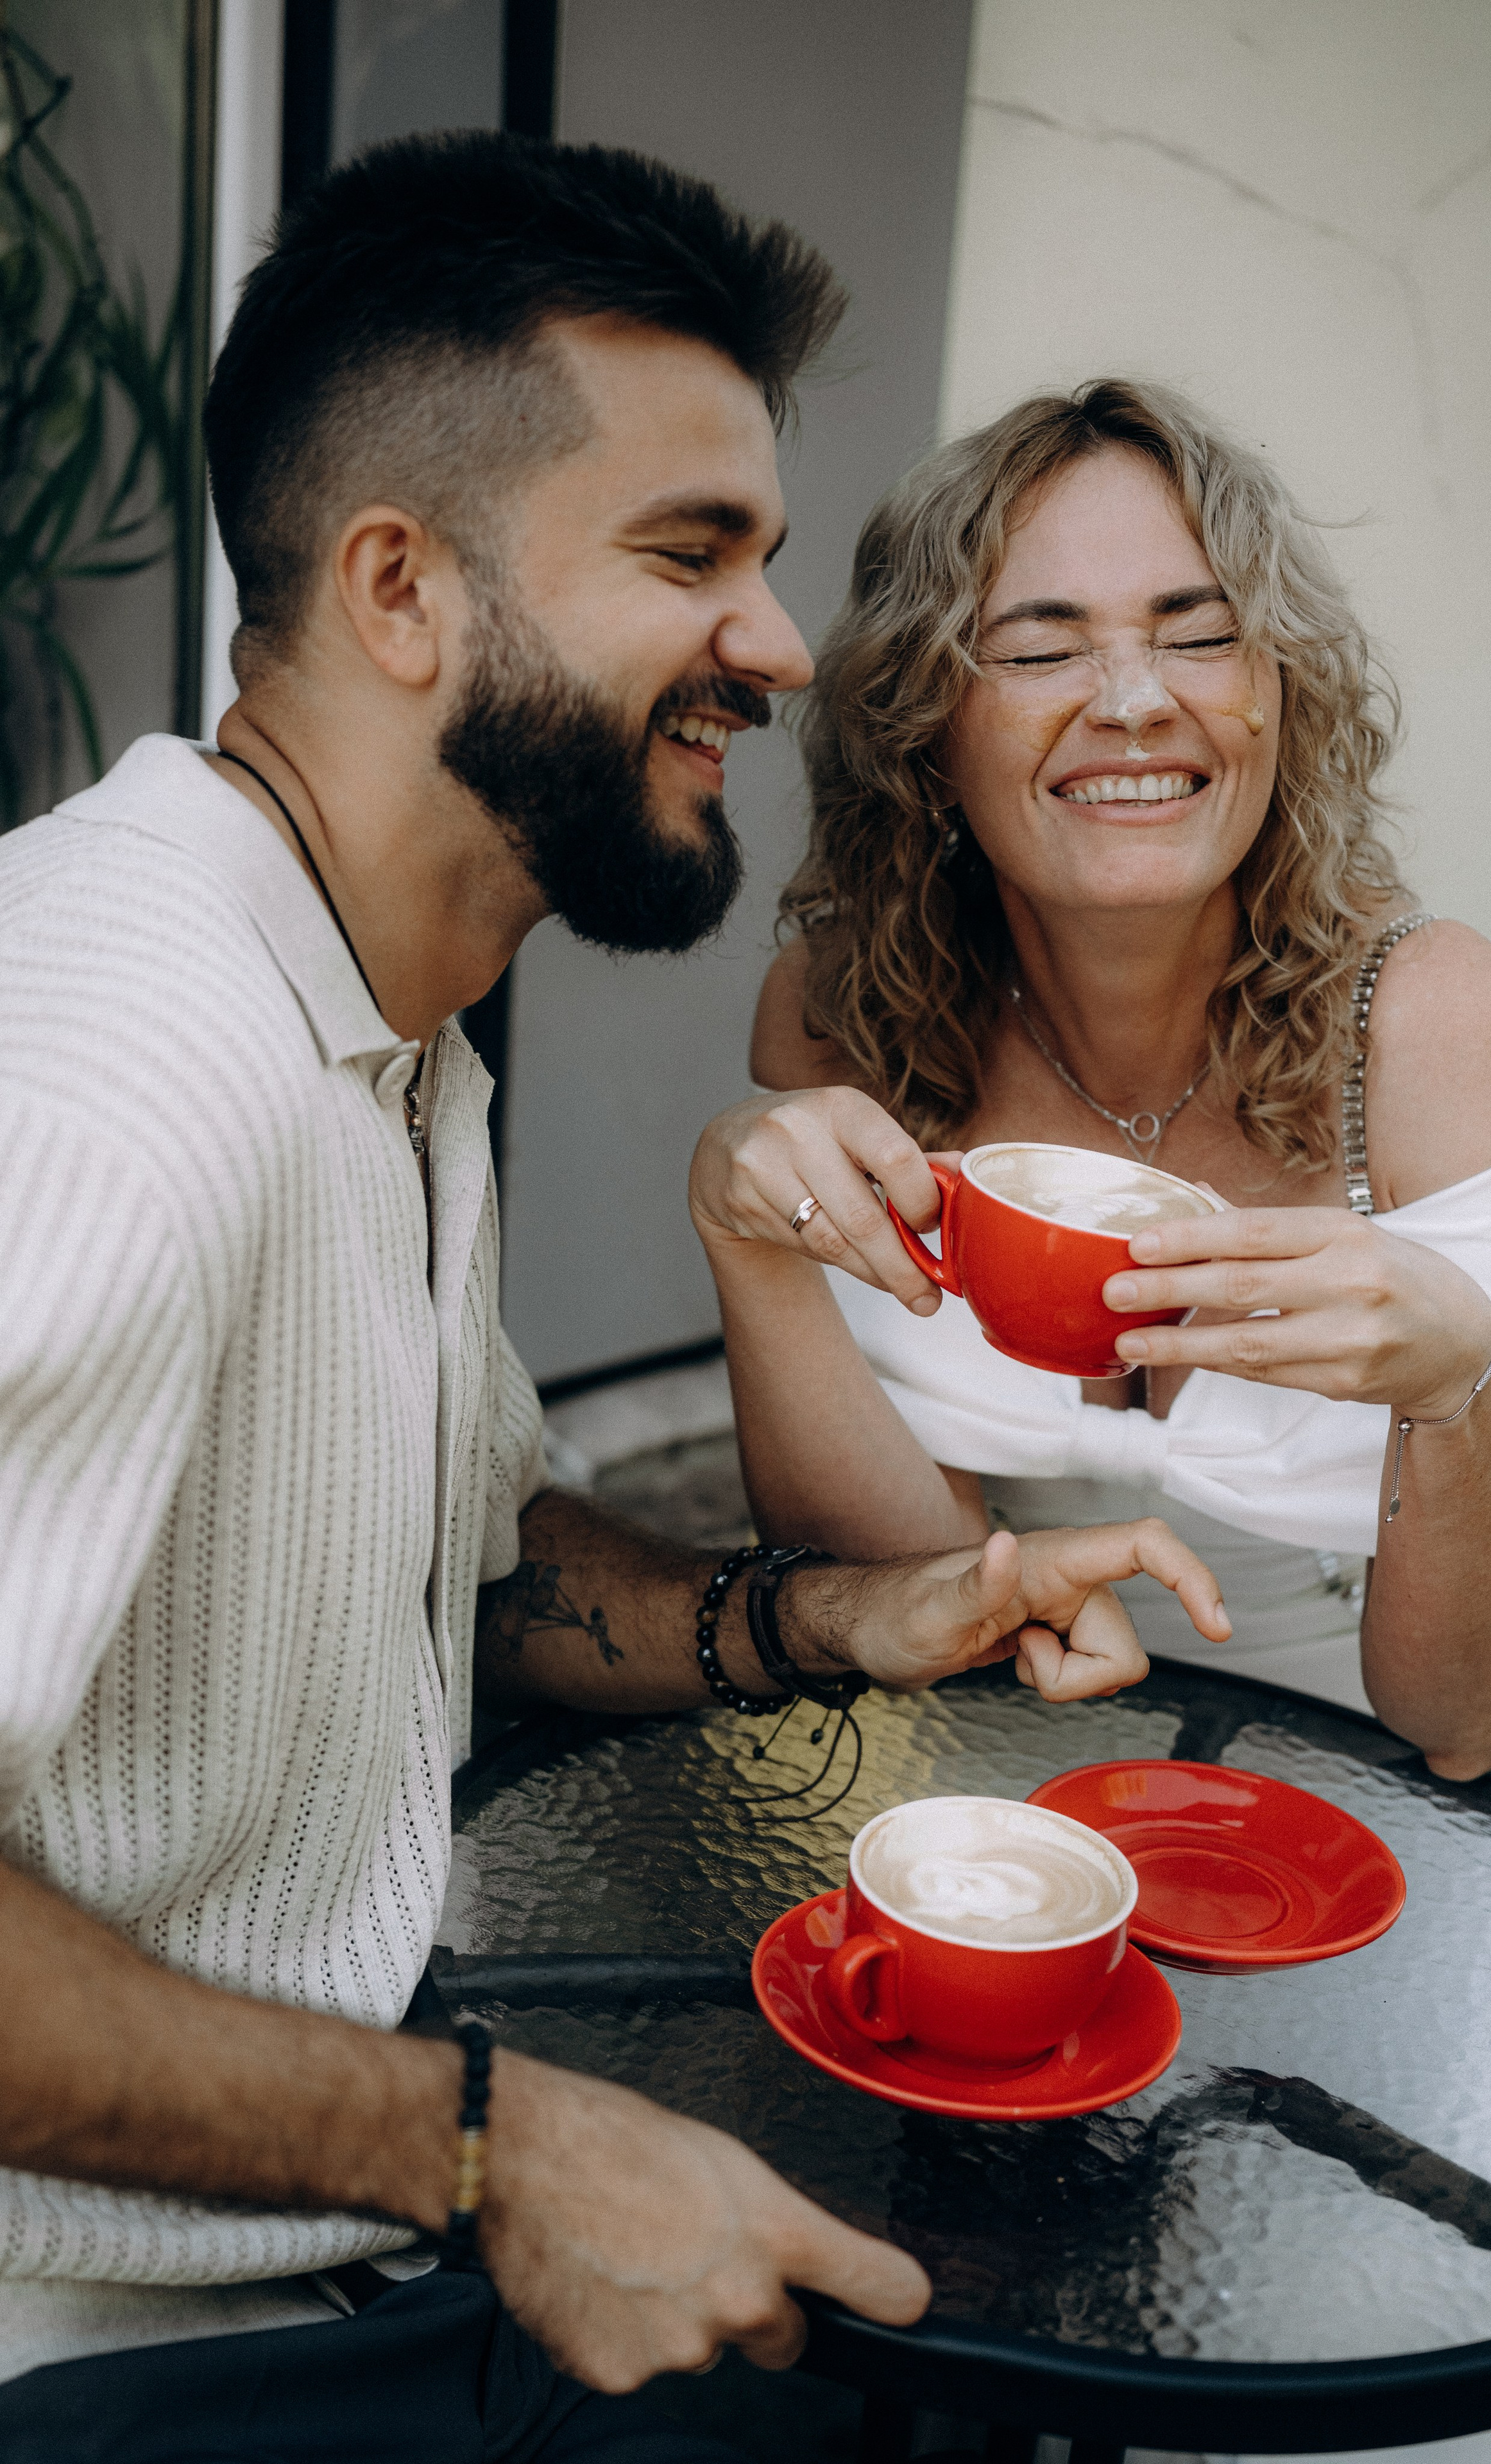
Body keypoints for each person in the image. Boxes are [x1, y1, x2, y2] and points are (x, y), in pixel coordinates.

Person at [0, 160, 1232, 2459]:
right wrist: (500, 2148)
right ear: (402, 590)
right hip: (125, 2353)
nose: (778, 644)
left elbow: (464, 1575)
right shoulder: (115, 1064)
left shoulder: (381, 1020)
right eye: (691, 556)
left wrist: (851, 1614)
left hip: (340, 2212)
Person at [689, 377, 1491, 1864]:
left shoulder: (1431, 1026)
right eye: (1038, 643)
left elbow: (1467, 1714)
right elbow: (905, 1594)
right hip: (1040, 1747)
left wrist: (1456, 1380)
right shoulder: (839, 1017)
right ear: (925, 724)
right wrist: (747, 1258)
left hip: (1473, 1784)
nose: (1135, 698)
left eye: (1198, 633)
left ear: (1278, 694)